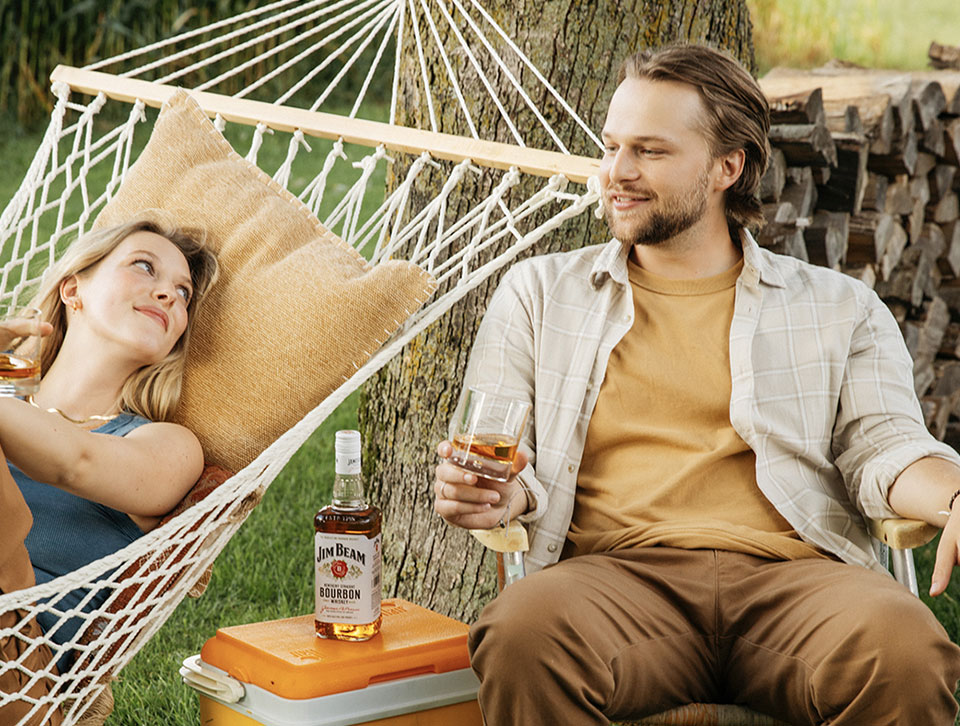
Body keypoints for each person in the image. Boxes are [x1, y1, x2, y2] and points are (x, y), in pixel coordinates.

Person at [433, 43, 960, 725]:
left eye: (649, 152)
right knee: (523, 634)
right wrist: (494, 495)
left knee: (906, 648)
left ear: (725, 167)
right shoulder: (540, 295)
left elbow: (884, 447)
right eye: (612, 146)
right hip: (614, 581)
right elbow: (503, 460)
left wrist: (952, 495)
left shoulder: (838, 306)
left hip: (796, 583)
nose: (615, 174)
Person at [0, 215, 218, 725]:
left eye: (183, 294)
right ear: (73, 289)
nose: (167, 294)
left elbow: (75, 461)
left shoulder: (167, 444)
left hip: (19, 665)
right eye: (144, 267)